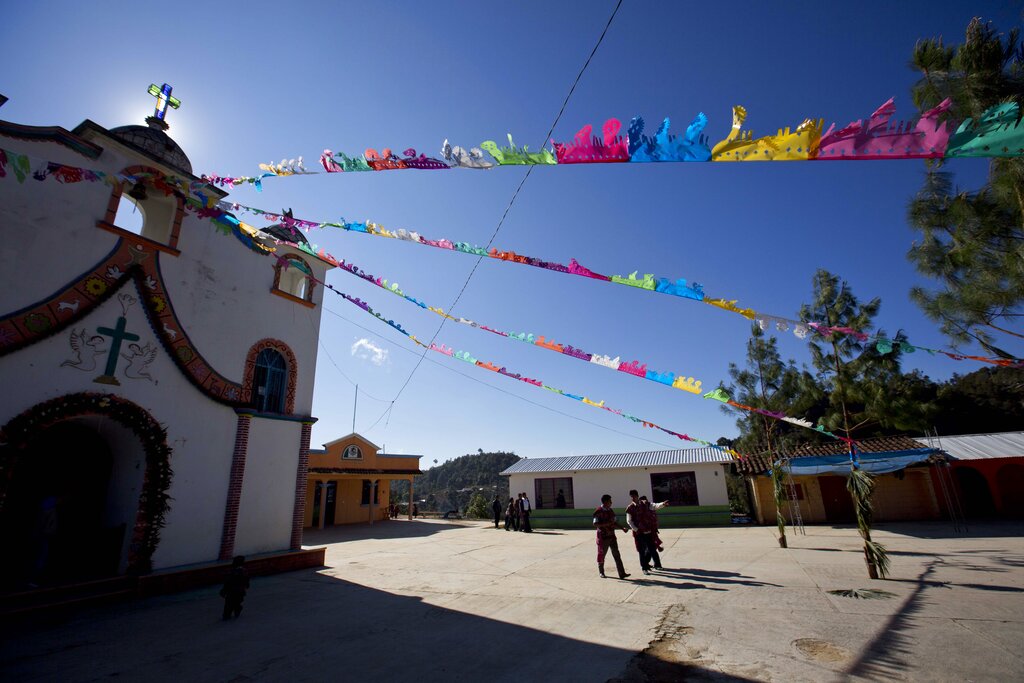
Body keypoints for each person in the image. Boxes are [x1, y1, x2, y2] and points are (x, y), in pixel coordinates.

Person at [626, 490, 668, 574]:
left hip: (648, 530)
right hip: (639, 533)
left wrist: (662, 504)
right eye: (631, 496)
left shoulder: (645, 503)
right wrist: (636, 529)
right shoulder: (630, 508)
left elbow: (654, 506)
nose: (633, 498)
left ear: (637, 496)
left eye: (634, 496)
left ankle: (658, 565)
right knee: (641, 551)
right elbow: (629, 521)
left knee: (652, 548)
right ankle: (644, 568)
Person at [592, 494, 630, 579]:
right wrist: (606, 524)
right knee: (602, 554)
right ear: (605, 502)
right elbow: (595, 523)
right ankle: (601, 572)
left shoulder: (610, 511)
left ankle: (622, 573)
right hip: (603, 537)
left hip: (612, 536)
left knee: (617, 554)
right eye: (610, 501)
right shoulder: (598, 511)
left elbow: (614, 522)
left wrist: (622, 528)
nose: (611, 503)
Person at [220, 555, 250, 620]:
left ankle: (235, 610)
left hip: (233, 591)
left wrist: (224, 590)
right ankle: (236, 609)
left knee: (231, 605)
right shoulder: (242, 571)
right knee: (234, 603)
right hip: (236, 591)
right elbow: (246, 580)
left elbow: (228, 581)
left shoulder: (234, 571)